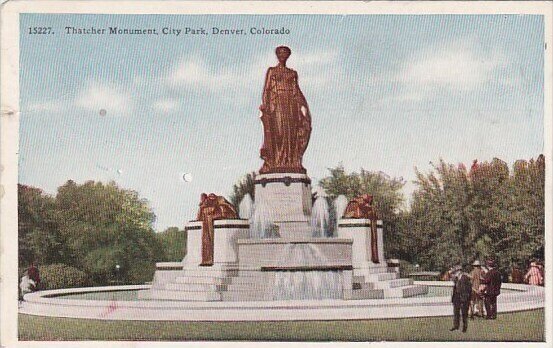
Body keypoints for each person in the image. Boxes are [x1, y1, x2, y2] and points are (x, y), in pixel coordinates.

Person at [259, 46, 312, 174]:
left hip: (290, 104)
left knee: (291, 133)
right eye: (280, 53)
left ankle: (290, 160)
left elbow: (297, 90)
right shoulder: (272, 71)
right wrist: (266, 106)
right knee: (279, 132)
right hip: (277, 104)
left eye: (285, 53)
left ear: (288, 56)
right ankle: (276, 160)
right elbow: (267, 90)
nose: (282, 55)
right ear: (277, 55)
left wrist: (304, 105)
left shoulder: (292, 73)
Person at [450, 264, 472, 332]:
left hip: (463, 297)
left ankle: (464, 327)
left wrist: (467, 297)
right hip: (456, 297)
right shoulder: (456, 278)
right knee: (456, 312)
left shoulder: (465, 277)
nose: (455, 273)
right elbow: (455, 287)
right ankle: (456, 326)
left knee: (464, 313)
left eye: (455, 271)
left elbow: (469, 288)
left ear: (459, 271)